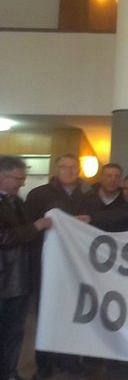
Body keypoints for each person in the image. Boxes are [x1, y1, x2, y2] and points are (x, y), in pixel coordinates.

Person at [24, 154, 91, 379]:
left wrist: (89, 219)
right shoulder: (39, 194)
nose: (68, 171)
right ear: (56, 169)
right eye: (64, 167)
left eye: (73, 167)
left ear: (78, 170)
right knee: (46, 314)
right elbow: (29, 227)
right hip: (47, 265)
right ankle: (44, 364)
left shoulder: (87, 195)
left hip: (77, 265)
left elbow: (96, 223)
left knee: (73, 314)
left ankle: (70, 361)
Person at [0, 156, 52, 380]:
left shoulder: (17, 201)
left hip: (20, 277)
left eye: (23, 178)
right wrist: (36, 227)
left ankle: (10, 372)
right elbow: (3, 237)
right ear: (2, 177)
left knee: (15, 331)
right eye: (18, 178)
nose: (22, 183)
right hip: (4, 277)